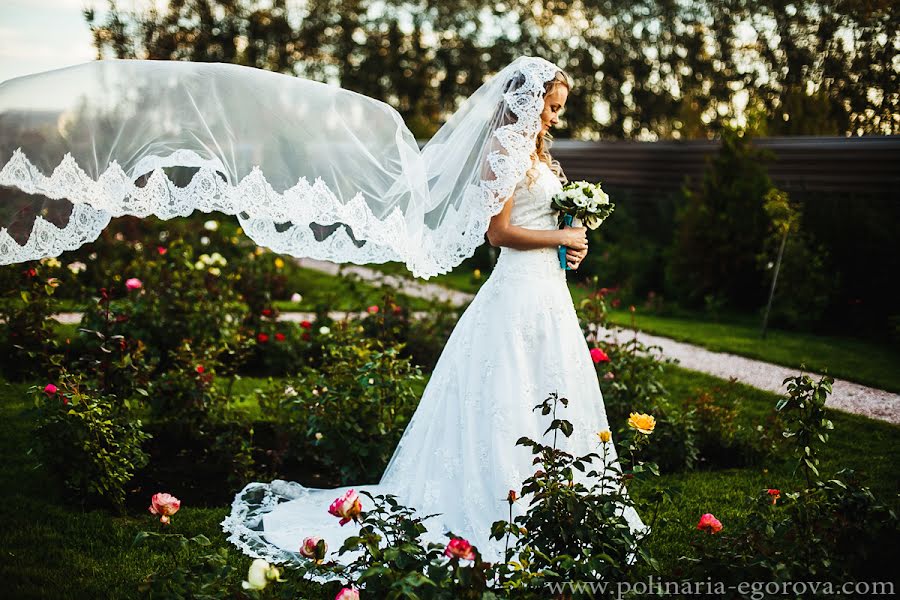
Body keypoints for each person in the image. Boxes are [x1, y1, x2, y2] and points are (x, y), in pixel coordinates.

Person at [220, 58, 650, 580]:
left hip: (549, 293)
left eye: (559, 110)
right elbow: (499, 233)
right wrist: (561, 236)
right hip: (515, 290)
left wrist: (570, 241)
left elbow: (543, 221)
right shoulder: (504, 151)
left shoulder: (540, 155)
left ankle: (561, 507)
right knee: (506, 394)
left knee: (551, 388)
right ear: (527, 101)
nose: (556, 118)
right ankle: (498, 506)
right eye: (551, 107)